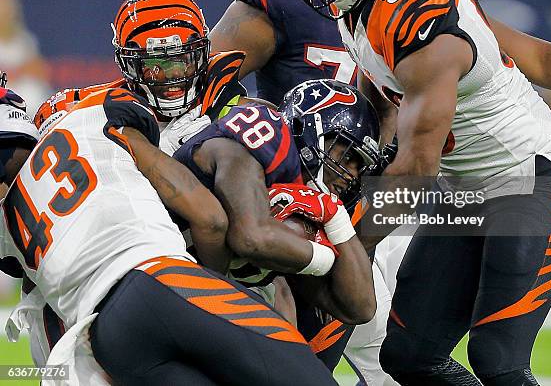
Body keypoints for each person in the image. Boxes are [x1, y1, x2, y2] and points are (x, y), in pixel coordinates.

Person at [211, 0, 551, 385]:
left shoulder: (424, 18)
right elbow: (527, 54)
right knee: (408, 358)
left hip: (533, 181)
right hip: (466, 191)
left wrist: (343, 244)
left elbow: (418, 164)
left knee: (499, 361)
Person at [1, 85, 336, 386]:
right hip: (163, 279)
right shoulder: (91, 118)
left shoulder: (6, 220)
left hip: (107, 338)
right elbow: (211, 219)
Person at [174, 78, 379, 324]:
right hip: (158, 271)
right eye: (348, 156)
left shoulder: (311, 201)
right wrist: (324, 258)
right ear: (310, 129)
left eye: (360, 166)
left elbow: (361, 308)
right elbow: (252, 238)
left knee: (282, 306)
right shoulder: (263, 139)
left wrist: (336, 217)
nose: (352, 174)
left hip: (204, 292)